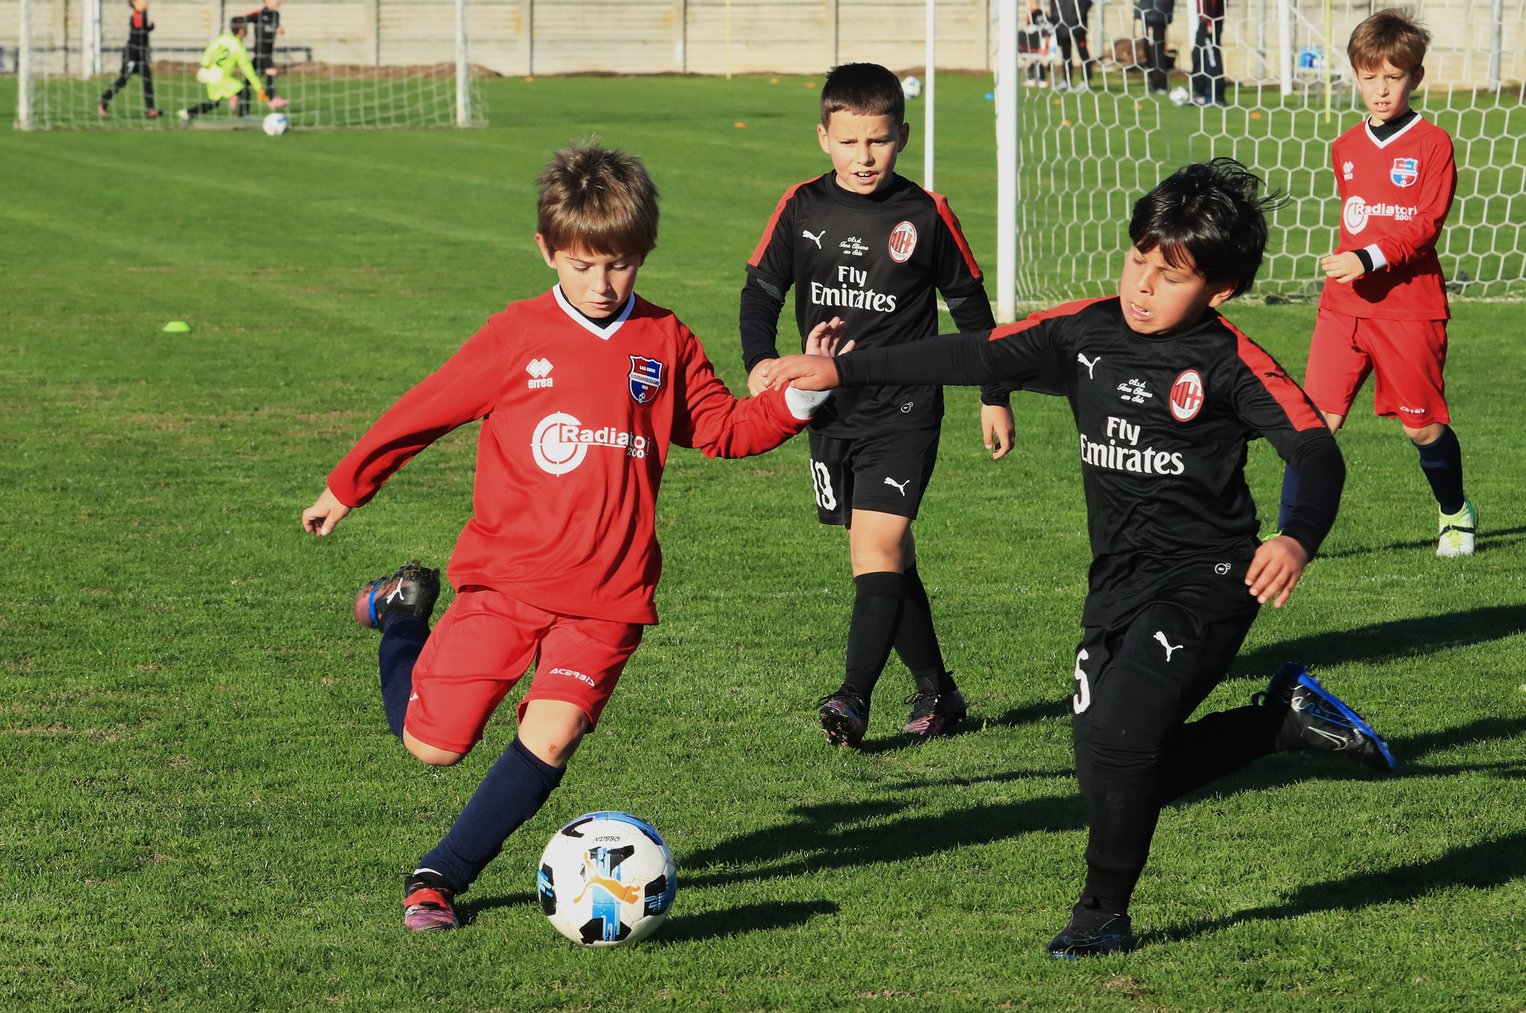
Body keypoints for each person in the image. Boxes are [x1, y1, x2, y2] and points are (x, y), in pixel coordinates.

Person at [763, 158, 1396, 957]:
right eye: (1137, 260)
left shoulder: (1230, 361)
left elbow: (1315, 451)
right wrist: (840, 368)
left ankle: (1101, 916)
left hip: (1208, 579)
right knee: (1112, 774)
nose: (1142, 286)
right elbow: (973, 354)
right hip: (1117, 583)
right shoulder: (1084, 330)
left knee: (1123, 742)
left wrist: (1295, 535)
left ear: (1220, 290)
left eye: (1170, 277)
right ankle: (1279, 722)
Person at [301, 140, 840, 932]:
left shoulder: (664, 339)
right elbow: (426, 408)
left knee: (550, 735)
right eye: (584, 265)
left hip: (609, 596)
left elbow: (721, 427)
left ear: (643, 253)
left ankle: (439, 876)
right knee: (431, 747)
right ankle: (400, 615)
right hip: (506, 581)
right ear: (547, 251)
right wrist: (349, 483)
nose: (602, 283)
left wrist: (797, 400)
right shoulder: (516, 334)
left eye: (620, 264)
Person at [739, 62, 1008, 747]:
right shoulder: (801, 206)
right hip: (827, 407)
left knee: (876, 544)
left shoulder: (927, 213)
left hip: (905, 407)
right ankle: (938, 692)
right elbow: (761, 291)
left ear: (903, 137)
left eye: (880, 141)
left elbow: (970, 307)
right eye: (850, 141)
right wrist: (760, 361)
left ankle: (852, 696)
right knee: (887, 554)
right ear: (824, 138)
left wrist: (994, 394)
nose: (865, 157)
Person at [1276, 9, 1473, 556]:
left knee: (1421, 428)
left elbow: (1426, 224)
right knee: (1314, 425)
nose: (1381, 89)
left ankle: (1455, 512)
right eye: (1370, 77)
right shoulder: (1344, 146)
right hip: (1343, 306)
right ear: (1355, 77)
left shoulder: (1433, 144)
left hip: (1408, 309)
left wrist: (1369, 258)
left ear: (1416, 76)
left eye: (1393, 76)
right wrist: (1354, 263)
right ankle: (1288, 534)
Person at [178, 17, 266, 122]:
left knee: (214, 103)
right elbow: (247, 69)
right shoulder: (238, 48)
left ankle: (186, 113)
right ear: (242, 30)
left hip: (211, 74)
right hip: (221, 77)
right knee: (245, 91)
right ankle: (243, 119)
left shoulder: (224, 38)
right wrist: (258, 87)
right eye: (246, 28)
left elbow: (210, 49)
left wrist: (204, 65)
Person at [98, 0, 159, 119]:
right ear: (135, 2)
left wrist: (150, 26)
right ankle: (104, 99)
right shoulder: (137, 15)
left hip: (141, 55)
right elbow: (138, 29)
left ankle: (151, 109)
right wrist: (147, 27)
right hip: (132, 54)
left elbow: (143, 30)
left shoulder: (143, 14)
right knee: (123, 80)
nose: (146, 1)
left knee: (147, 81)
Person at [244, 0, 289, 109]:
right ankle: (272, 99)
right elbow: (244, 19)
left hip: (269, 50)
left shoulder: (276, 14)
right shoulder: (259, 14)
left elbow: (274, 28)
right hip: (261, 49)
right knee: (272, 71)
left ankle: (237, 93)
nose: (278, 1)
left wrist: (279, 30)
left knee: (252, 76)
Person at [1050, 0, 1093, 91]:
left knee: (1083, 52)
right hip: (1062, 26)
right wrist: (1056, 19)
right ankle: (1066, 81)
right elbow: (1053, 6)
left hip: (1078, 26)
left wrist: (1077, 17)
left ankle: (1085, 81)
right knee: (1065, 55)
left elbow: (1087, 3)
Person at [1189, 0, 1225, 105]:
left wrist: (1209, 21)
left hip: (1209, 21)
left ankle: (1216, 95)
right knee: (1197, 55)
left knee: (1212, 57)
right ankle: (1201, 93)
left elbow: (1211, 3)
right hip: (1206, 20)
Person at [1134, 0, 1173, 93]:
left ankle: (1161, 85)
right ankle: (1155, 84)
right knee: (1150, 51)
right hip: (1150, 15)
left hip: (1154, 15)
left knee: (1155, 51)